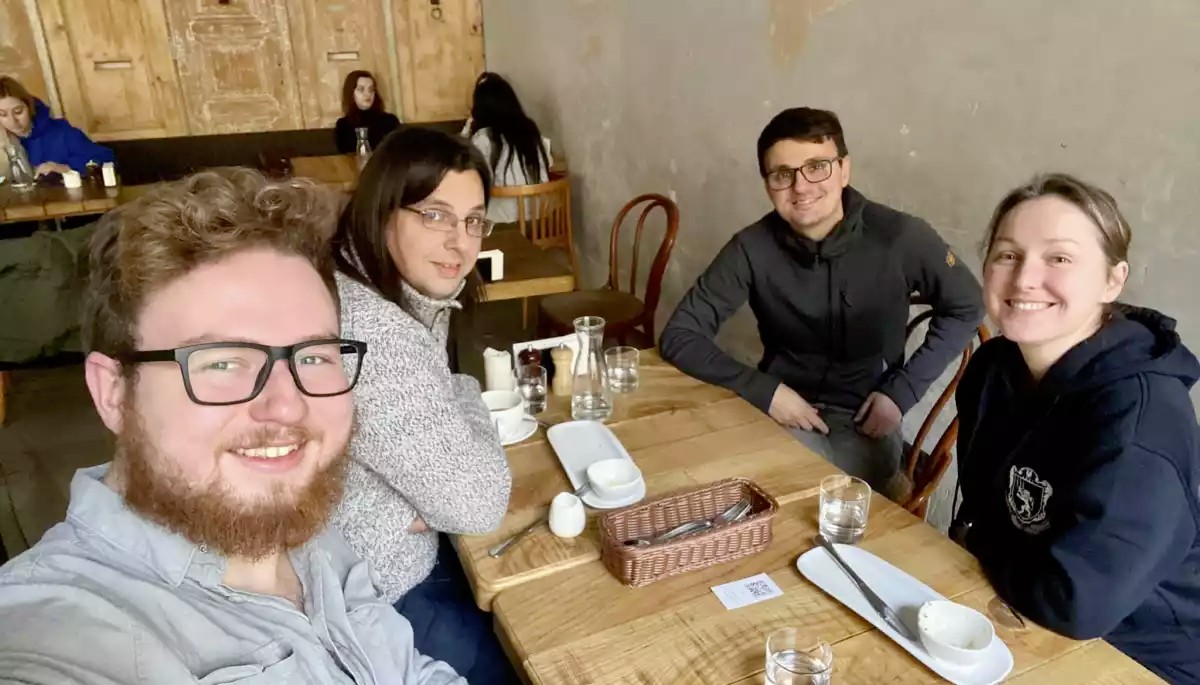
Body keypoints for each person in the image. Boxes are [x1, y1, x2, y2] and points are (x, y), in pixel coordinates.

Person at [0, 168, 463, 684]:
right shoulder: (54, 632)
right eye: (222, 362)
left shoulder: (298, 520)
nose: (287, 408)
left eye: (314, 356)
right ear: (114, 392)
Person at [951, 173, 1200, 684]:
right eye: (1007, 255)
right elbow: (983, 511)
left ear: (1113, 280)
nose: (1025, 279)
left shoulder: (1140, 423)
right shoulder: (994, 369)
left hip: (1140, 657)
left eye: (1059, 258)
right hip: (1015, 610)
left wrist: (977, 542)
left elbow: (1076, 604)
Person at [659, 107, 984, 496]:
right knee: (695, 461)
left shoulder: (899, 237)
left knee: (763, 481)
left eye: (817, 167)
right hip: (781, 409)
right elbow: (680, 335)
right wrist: (766, 391)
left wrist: (901, 393)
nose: (801, 187)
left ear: (844, 170)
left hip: (863, 423)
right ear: (768, 185)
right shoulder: (751, 247)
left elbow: (967, 304)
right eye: (783, 174)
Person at [330, 127, 516, 683]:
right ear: (382, 209)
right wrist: (466, 392)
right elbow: (478, 504)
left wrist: (421, 500)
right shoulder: (380, 335)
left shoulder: (377, 287)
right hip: (383, 594)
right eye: (435, 215)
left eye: (473, 221)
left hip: (370, 564)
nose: (460, 243)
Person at [461, 72, 553, 224]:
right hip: (539, 222)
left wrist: (469, 127)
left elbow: (469, 172)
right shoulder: (530, 131)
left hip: (503, 224)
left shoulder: (484, 138)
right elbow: (548, 164)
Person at [0, 75, 114, 176]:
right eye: (2, 114)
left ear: (30, 107)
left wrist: (67, 167)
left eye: (18, 112)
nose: (12, 121)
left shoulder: (61, 132)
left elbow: (105, 158)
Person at [334, 70, 401, 155]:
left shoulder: (389, 121)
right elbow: (346, 155)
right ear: (351, 94)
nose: (368, 94)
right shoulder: (343, 125)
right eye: (361, 90)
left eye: (371, 89)